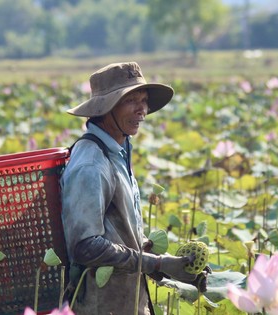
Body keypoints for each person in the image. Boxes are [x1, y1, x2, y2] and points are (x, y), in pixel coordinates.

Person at [60, 62, 198, 315]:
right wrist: (155, 264)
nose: (142, 110)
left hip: (128, 301)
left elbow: (118, 234)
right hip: (100, 306)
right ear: (105, 109)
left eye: (144, 100)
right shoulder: (91, 164)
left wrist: (173, 267)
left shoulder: (117, 150)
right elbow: (85, 246)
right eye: (130, 100)